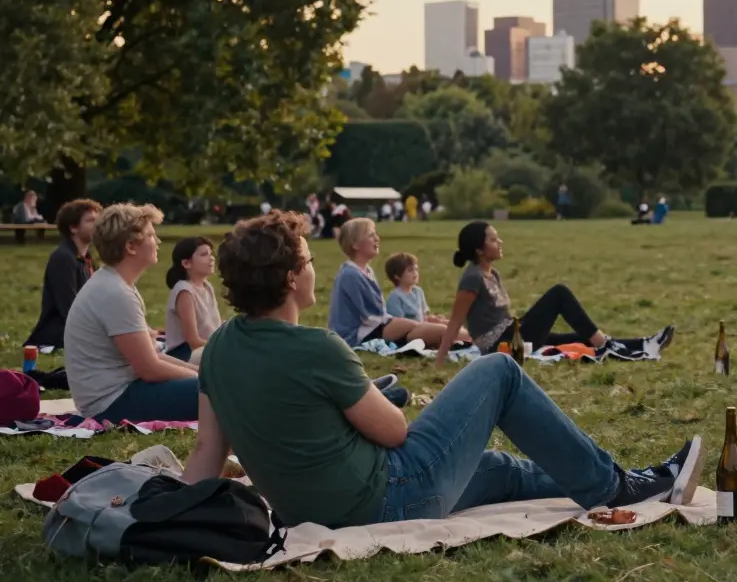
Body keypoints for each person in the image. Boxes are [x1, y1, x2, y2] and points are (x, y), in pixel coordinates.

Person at [180, 211, 705, 529]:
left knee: (499, 468)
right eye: (308, 259)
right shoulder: (318, 348)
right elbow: (394, 432)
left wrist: (180, 514)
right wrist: (376, 396)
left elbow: (208, 450)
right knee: (498, 374)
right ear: (294, 278)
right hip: (388, 500)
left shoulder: (219, 350)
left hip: (310, 509)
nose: (315, 267)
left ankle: (630, 480)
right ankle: (615, 490)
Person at [437, 222, 674, 367]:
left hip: (513, 335)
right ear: (479, 249)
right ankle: (607, 346)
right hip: (499, 348)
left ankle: (644, 344)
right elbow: (456, 321)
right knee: (559, 294)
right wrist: (440, 361)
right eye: (493, 239)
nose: (500, 242)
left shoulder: (493, 274)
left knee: (580, 338)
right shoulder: (472, 278)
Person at [63, 204, 198, 422]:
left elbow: (152, 358)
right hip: (110, 404)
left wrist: (201, 373)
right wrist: (204, 380)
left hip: (120, 392)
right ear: (131, 246)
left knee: (214, 384)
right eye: (151, 236)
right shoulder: (115, 293)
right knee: (220, 392)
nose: (158, 241)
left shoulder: (115, 284)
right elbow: (150, 369)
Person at [328, 218, 469, 349]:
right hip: (357, 335)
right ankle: (473, 339)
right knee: (430, 328)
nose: (377, 239)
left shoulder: (364, 270)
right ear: (355, 244)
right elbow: (373, 316)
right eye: (371, 235)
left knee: (426, 328)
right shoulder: (350, 274)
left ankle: (464, 340)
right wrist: (410, 323)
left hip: (374, 327)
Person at [24, 199, 101, 353]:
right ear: (73, 227)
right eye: (91, 220)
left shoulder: (87, 258)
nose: (98, 225)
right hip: (58, 333)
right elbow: (69, 307)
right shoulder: (63, 257)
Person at [163, 236, 222, 364]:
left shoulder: (207, 287)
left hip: (206, 347)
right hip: (185, 354)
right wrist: (223, 347)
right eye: (204, 254)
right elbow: (193, 341)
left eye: (211, 254)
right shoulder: (184, 291)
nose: (211, 258)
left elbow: (211, 326)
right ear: (186, 263)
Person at [384, 252, 446, 323]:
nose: (415, 273)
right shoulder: (395, 297)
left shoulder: (418, 291)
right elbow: (399, 324)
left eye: (416, 269)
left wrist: (433, 318)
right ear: (397, 276)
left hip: (422, 328)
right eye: (410, 270)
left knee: (450, 325)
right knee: (443, 330)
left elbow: (424, 316)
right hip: (408, 332)